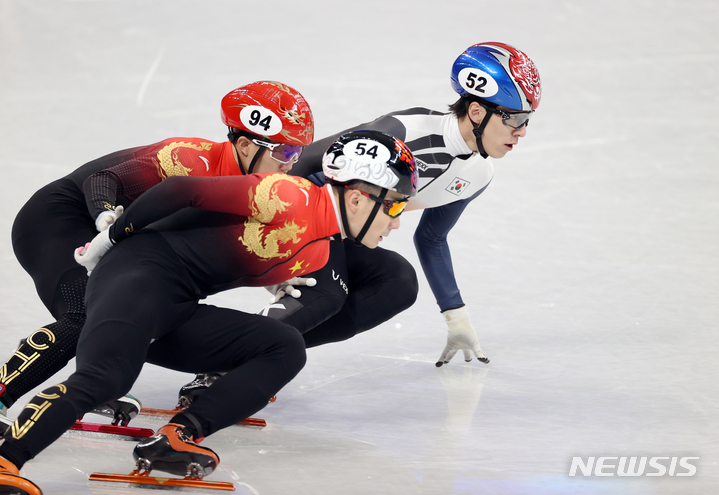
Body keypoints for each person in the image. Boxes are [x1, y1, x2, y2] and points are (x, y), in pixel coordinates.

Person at [0, 129, 418, 494]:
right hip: (139, 277)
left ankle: (176, 436)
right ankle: (8, 458)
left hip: (176, 304)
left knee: (284, 346)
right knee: (104, 377)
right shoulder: (290, 195)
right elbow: (181, 190)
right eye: (395, 206)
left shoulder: (320, 247)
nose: (397, 222)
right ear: (360, 198)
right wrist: (107, 241)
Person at [0, 81, 312, 431]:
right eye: (284, 153)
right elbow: (102, 179)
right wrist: (105, 218)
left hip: (118, 240)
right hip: (59, 219)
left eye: (297, 153)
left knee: (136, 307)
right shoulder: (188, 158)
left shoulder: (253, 191)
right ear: (243, 145)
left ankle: (95, 381)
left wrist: (269, 275)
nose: (291, 164)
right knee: (86, 313)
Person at [260, 42, 542, 366]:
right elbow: (305, 162)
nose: (522, 132)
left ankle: (259, 353)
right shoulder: (405, 130)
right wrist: (279, 235)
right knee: (330, 292)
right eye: (515, 119)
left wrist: (456, 315)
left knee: (397, 284)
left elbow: (431, 238)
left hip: (349, 232)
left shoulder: (479, 174)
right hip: (304, 217)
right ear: (477, 112)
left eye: (527, 120)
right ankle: (223, 368)